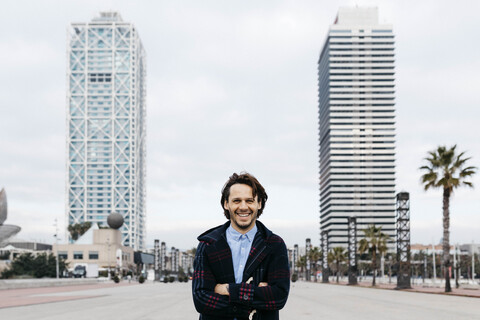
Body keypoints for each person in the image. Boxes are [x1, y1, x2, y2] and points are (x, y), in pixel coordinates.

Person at [192, 172, 290, 320]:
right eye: (237, 200)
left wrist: (229, 290)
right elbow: (201, 300)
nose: (243, 207)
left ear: (259, 204)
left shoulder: (274, 244)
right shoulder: (208, 244)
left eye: (249, 200)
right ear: (226, 204)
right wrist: (254, 297)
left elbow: (279, 297)